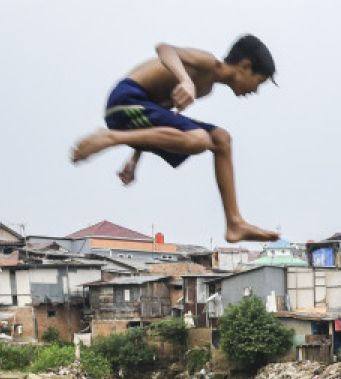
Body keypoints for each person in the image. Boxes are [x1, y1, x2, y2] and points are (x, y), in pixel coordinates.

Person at [70, 36, 279, 243]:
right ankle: (110, 138)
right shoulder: (208, 63)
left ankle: (235, 223)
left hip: (139, 109)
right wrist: (185, 80)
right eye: (258, 82)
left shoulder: (206, 88)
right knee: (199, 140)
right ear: (244, 66)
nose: (255, 90)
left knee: (221, 139)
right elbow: (164, 48)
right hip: (126, 99)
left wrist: (136, 156)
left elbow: (159, 115)